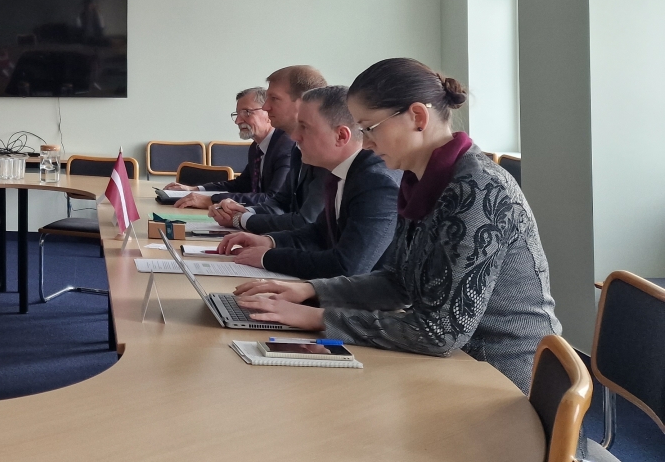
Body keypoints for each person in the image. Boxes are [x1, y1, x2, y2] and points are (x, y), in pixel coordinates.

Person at [234, 58, 561, 393]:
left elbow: (439, 331)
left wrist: (317, 317)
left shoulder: (476, 188)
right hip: (450, 363)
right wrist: (311, 291)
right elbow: (398, 282)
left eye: (369, 128)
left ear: (417, 117)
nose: (365, 142)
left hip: (501, 377)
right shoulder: (419, 178)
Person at [214, 85, 399, 279]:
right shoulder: (342, 171)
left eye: (304, 127)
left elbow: (346, 267)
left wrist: (267, 257)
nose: (295, 136)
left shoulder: (377, 182)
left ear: (341, 136)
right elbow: (318, 233)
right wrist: (269, 241)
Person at [185, 66, 329, 237]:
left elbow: (304, 221)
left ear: (304, 102)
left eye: (274, 99)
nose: (266, 107)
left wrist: (240, 219)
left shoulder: (305, 150)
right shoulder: (294, 148)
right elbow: (279, 202)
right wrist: (245, 212)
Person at [164, 87, 294, 206]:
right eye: (237, 114)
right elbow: (240, 186)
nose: (238, 121)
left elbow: (272, 199)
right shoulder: (256, 148)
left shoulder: (285, 147)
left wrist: (210, 200)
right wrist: (195, 189)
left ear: (268, 113)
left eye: (247, 112)